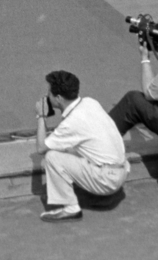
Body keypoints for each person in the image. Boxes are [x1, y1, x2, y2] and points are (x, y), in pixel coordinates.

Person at [35, 69, 128, 222]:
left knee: (52, 157)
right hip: (122, 170)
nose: (47, 96)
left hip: (107, 181)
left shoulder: (71, 123)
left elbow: (41, 148)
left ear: (58, 98)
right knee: (69, 147)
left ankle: (71, 208)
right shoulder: (91, 102)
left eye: (49, 94)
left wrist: (41, 116)